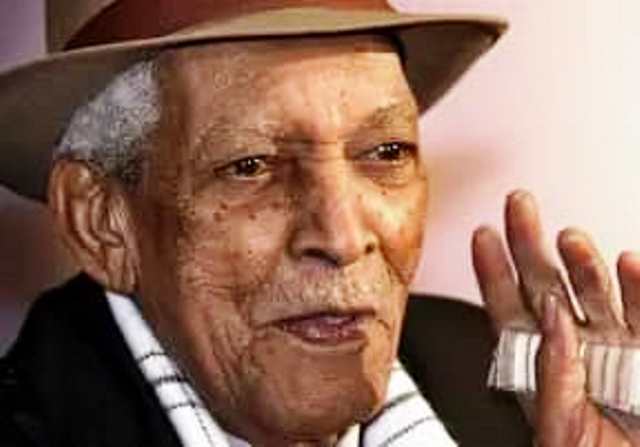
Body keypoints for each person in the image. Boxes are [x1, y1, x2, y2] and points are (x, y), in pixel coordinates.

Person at [1, 1, 638, 446]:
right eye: (250, 166)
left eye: (386, 152)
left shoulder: (501, 382)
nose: (342, 237)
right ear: (103, 224)